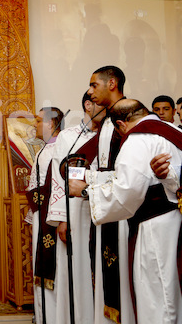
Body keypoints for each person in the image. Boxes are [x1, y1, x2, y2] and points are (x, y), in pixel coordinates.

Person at [69, 99, 182, 323]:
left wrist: (86, 192)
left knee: (157, 295)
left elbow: (127, 191)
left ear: (121, 124)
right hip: (175, 220)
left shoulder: (138, 139)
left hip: (154, 226)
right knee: (173, 290)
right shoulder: (173, 131)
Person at [47, 93, 106, 324]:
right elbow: (58, 179)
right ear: (88, 105)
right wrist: (62, 217)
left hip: (105, 209)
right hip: (76, 212)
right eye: (101, 104)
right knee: (76, 270)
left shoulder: (112, 134)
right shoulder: (68, 137)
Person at [85, 65, 135, 324]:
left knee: (124, 278)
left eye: (95, 85)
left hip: (124, 211)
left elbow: (129, 171)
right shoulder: (106, 120)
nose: (90, 91)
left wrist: (87, 183)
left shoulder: (130, 114)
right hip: (107, 207)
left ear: (112, 83)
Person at [24, 106, 63, 324]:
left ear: (50, 123)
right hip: (41, 213)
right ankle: (42, 315)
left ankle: (52, 316)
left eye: (39, 121)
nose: (35, 125)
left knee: (52, 264)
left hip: (52, 216)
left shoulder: (58, 150)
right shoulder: (43, 149)